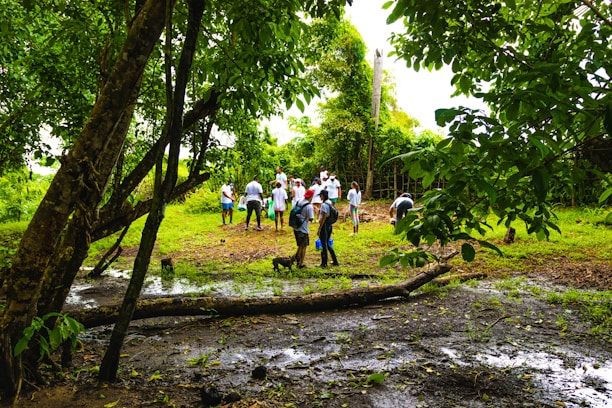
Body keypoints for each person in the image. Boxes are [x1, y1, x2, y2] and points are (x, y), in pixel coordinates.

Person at [317, 189, 339, 267]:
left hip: (324, 225)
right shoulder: (329, 202)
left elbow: (324, 217)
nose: (320, 196)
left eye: (320, 195)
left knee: (324, 244)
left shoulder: (324, 205)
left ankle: (324, 263)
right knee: (327, 243)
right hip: (329, 225)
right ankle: (335, 261)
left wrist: (320, 228)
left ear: (323, 196)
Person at [294, 189, 315, 268]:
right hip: (303, 228)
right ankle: (301, 264)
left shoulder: (299, 201)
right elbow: (311, 218)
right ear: (311, 197)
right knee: (304, 246)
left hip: (296, 227)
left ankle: (295, 258)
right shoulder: (309, 206)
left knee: (300, 245)